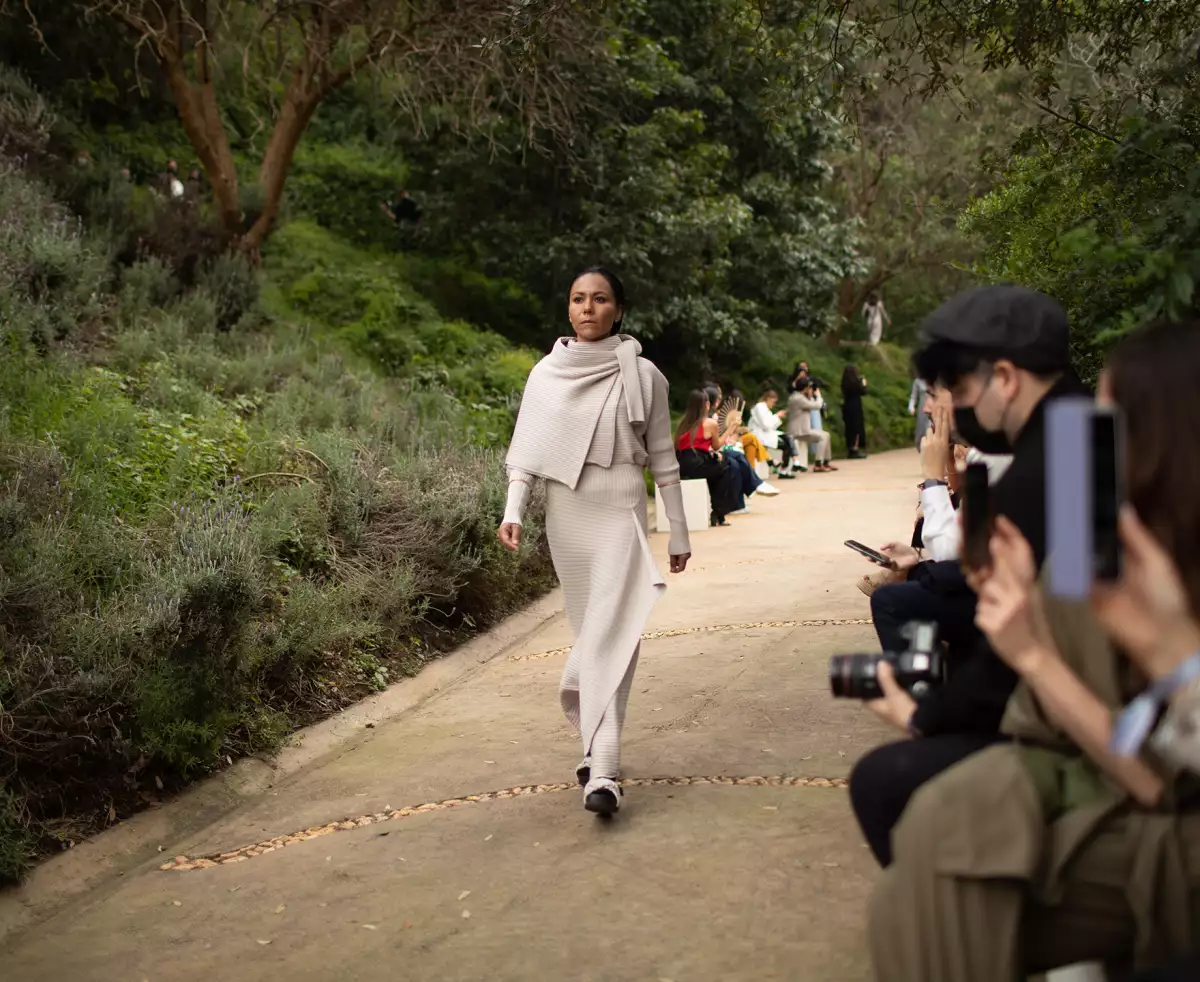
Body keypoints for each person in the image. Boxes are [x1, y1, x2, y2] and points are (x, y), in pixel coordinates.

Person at [869, 316, 1200, 982]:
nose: (943, 408)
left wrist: (1167, 652)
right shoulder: (1086, 497)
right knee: (938, 824)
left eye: (952, 390)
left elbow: (1149, 773)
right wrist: (1030, 631)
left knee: (923, 815)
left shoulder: (1060, 465)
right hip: (1097, 758)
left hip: (1125, 790)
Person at [849, 284, 1088, 867]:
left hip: (1075, 724)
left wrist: (923, 717)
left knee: (885, 781)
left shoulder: (1049, 460)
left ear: (1004, 377)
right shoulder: (1078, 432)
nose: (951, 406)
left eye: (958, 389)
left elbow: (1022, 632)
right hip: (1080, 699)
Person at [497, 267, 692, 817]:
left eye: (600, 299)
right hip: (567, 516)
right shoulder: (546, 373)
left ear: (618, 310)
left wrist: (678, 529)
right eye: (579, 299)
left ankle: (603, 771)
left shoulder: (645, 375)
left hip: (621, 510)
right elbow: (527, 452)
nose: (588, 308)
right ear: (568, 308)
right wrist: (513, 510)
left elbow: (664, 459)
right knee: (595, 632)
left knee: (612, 631)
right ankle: (594, 750)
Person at [675, 389, 743, 525]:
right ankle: (719, 513)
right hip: (697, 463)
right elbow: (717, 446)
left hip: (682, 464)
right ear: (706, 405)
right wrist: (730, 429)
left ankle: (718, 513)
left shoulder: (683, 423)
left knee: (716, 468)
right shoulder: (710, 423)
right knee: (726, 467)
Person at [787, 379, 835, 472]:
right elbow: (817, 406)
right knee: (822, 437)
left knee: (826, 435)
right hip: (798, 431)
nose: (811, 390)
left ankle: (825, 462)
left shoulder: (798, 397)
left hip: (803, 430)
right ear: (805, 388)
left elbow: (812, 402)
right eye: (809, 388)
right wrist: (819, 396)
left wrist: (811, 395)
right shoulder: (798, 399)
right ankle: (818, 464)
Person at [749, 389, 797, 477]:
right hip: (759, 436)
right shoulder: (759, 407)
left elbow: (771, 427)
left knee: (788, 441)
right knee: (787, 442)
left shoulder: (766, 410)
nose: (773, 404)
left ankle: (786, 468)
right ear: (768, 399)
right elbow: (766, 425)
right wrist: (777, 416)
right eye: (773, 402)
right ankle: (791, 463)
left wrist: (778, 417)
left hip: (766, 435)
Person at [840, 364, 869, 458]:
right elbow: (863, 392)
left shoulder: (845, 383)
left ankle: (850, 448)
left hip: (847, 406)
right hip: (855, 405)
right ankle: (855, 448)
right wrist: (864, 384)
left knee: (849, 428)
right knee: (857, 427)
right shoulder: (856, 383)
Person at [908, 376, 929, 449]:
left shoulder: (935, 379)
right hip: (922, 409)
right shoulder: (918, 381)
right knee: (921, 431)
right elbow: (913, 396)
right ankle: (919, 446)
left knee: (929, 429)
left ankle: (929, 449)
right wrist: (911, 406)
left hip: (932, 408)